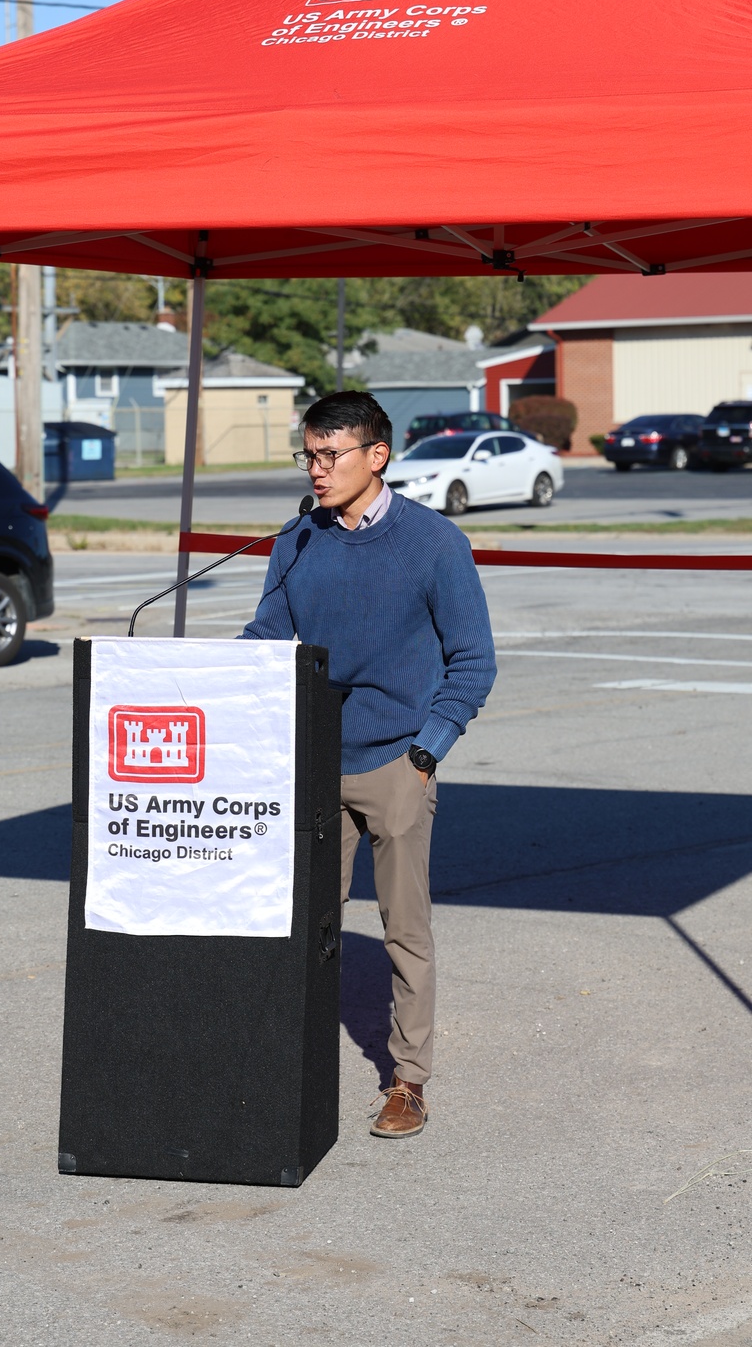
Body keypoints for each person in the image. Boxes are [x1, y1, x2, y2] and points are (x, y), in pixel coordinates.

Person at [241, 391, 496, 1138]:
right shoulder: (297, 539)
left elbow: (473, 663)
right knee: (302, 922)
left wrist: (426, 753)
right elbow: (268, 632)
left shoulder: (434, 543)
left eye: (330, 456)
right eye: (308, 456)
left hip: (396, 763)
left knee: (403, 929)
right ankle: (289, 1061)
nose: (316, 471)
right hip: (313, 760)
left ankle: (408, 1081)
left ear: (376, 456)